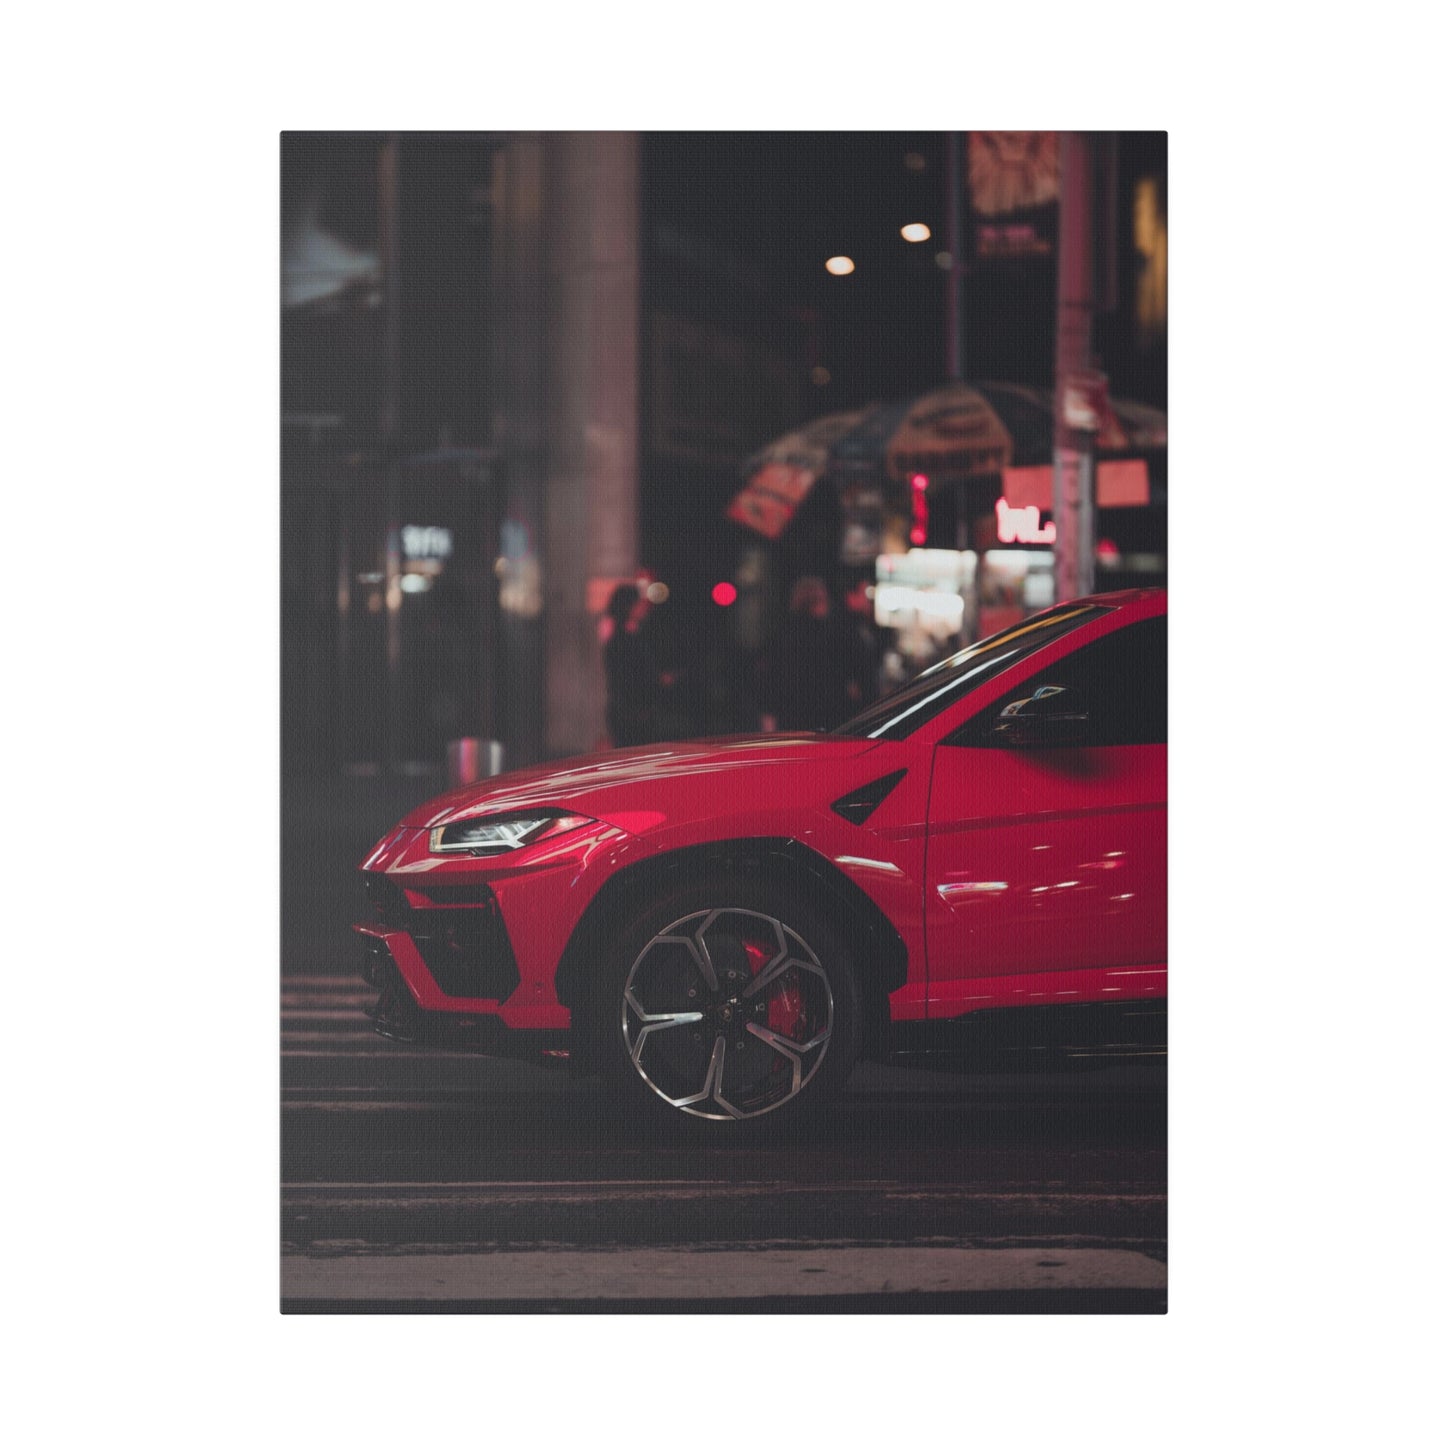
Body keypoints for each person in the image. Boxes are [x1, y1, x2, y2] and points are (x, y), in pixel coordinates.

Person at [758, 576, 874, 732]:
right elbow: (861, 671)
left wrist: (769, 715)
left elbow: (770, 678)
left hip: (792, 716)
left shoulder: (783, 633)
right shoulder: (836, 632)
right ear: (821, 601)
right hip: (831, 715)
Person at [601, 584, 659, 747]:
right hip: (631, 713)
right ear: (628, 606)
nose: (643, 607)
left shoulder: (635, 635)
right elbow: (624, 678)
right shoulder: (621, 641)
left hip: (637, 710)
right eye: (639, 603)